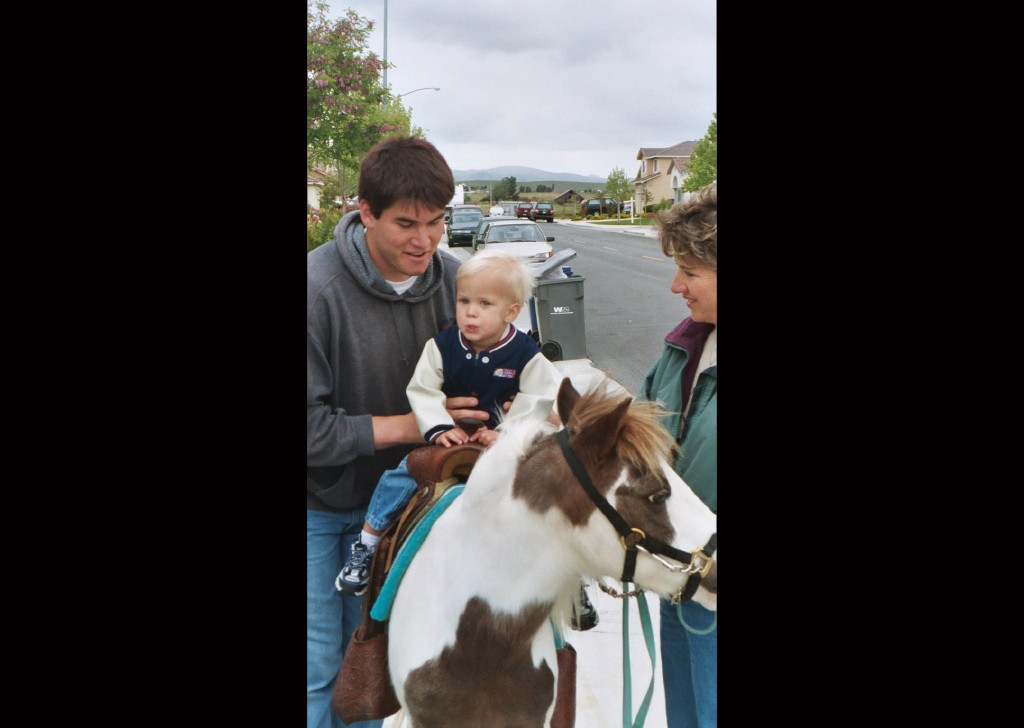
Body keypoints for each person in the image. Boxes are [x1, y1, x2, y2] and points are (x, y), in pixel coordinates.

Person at [308, 135, 500, 728]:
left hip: (418, 508)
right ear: (365, 212)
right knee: (321, 670)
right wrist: (419, 423)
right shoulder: (316, 291)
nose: (425, 240)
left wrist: (501, 413)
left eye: (437, 222)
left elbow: (495, 378)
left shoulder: (455, 284)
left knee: (377, 670)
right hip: (324, 507)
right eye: (406, 224)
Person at [334, 249, 563, 596]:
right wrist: (438, 426)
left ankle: (567, 576)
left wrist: (505, 430)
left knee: (551, 485)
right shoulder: (441, 346)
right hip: (450, 436)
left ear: (511, 312)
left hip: (500, 440)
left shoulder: (526, 353)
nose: (470, 312)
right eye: (464, 300)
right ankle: (367, 543)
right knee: (402, 475)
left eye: (485, 304)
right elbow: (423, 388)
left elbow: (539, 395)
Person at [638, 181, 717, 728]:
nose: (675, 286)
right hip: (678, 577)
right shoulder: (684, 346)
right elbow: (640, 431)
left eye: (689, 272)